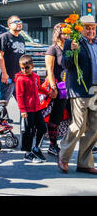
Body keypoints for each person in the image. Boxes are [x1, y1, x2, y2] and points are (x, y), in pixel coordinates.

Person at [58, 14, 97, 175]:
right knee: (79, 125)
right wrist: (71, 52)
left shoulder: (96, 43)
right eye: (87, 28)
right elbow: (64, 64)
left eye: (93, 27)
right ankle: (64, 156)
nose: (90, 31)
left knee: (94, 127)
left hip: (95, 89)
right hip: (80, 89)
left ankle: (84, 162)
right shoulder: (72, 42)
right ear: (80, 29)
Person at [15, 54, 47, 163]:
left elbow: (39, 88)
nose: (24, 70)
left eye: (27, 67)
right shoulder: (20, 79)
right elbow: (19, 96)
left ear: (32, 66)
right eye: (22, 68)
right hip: (27, 110)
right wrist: (22, 110)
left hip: (37, 108)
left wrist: (48, 92)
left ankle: (36, 148)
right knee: (28, 132)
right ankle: (27, 154)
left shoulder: (35, 76)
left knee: (42, 128)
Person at [44, 23, 69, 156]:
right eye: (64, 32)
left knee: (72, 117)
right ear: (58, 34)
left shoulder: (69, 48)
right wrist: (53, 87)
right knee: (55, 116)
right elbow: (50, 70)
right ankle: (52, 145)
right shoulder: (52, 49)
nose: (67, 35)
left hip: (70, 87)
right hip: (58, 87)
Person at [0, 15, 25, 104]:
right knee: (3, 104)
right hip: (7, 77)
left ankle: (25, 119)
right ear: (9, 25)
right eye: (16, 22)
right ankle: (0, 118)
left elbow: (22, 58)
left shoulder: (21, 38)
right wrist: (4, 74)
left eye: (20, 22)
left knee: (23, 103)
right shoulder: (4, 37)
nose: (19, 23)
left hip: (19, 77)